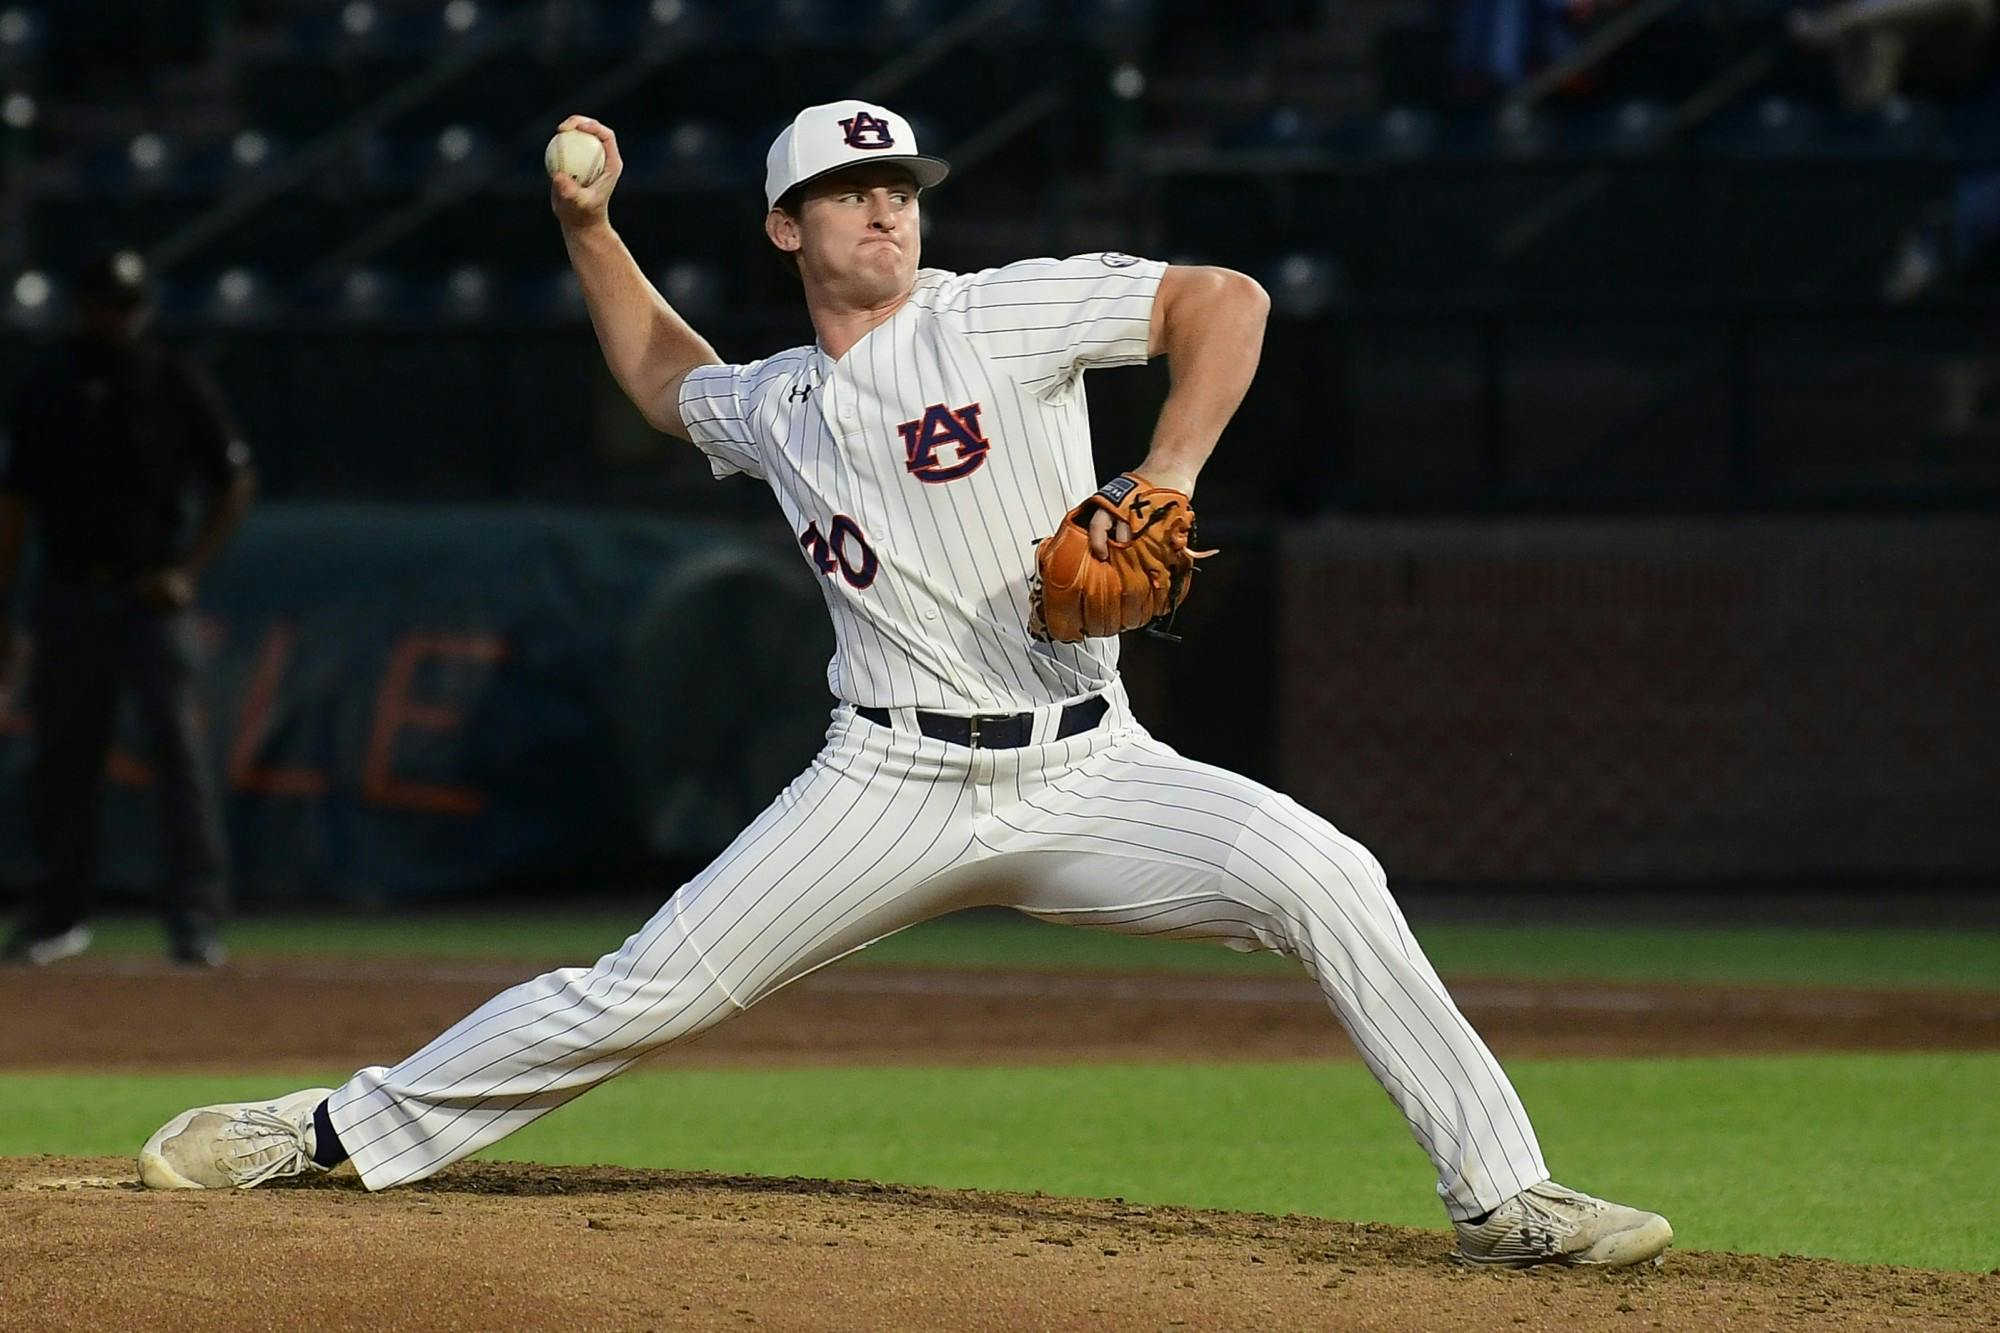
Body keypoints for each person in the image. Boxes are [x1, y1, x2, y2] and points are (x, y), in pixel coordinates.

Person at [136, 101, 1671, 1268]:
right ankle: (331, 1127)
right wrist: (586, 227)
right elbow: (668, 382)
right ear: (787, 230)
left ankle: (1502, 1195)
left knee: (1329, 873)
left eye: (898, 187)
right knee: (647, 988)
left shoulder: (996, 312)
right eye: (849, 193)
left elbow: (1229, 302)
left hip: (1093, 766)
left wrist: (1170, 467)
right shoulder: (784, 399)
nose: (886, 207)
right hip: (888, 779)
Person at [0, 249, 254, 968]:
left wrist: (189, 569)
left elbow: (234, 480)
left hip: (149, 597)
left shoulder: (174, 382)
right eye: (103, 302)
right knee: (63, 762)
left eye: (125, 304)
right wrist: (4, 605)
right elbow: (14, 505)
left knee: (179, 757)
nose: (114, 315)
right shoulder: (46, 386)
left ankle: (196, 921)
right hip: (68, 591)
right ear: (81, 305)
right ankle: (57, 914)